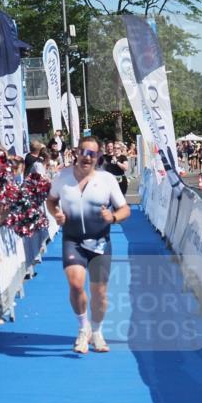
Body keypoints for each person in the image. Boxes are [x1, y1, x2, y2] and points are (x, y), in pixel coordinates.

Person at [46, 137, 130, 354]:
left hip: (100, 242)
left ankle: (97, 331)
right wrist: (56, 214)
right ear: (76, 152)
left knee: (99, 293)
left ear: (98, 156)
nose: (87, 157)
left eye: (92, 153)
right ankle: (84, 329)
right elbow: (51, 200)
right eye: (83, 152)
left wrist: (112, 217)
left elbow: (125, 209)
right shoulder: (62, 177)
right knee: (75, 284)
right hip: (72, 240)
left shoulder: (107, 179)